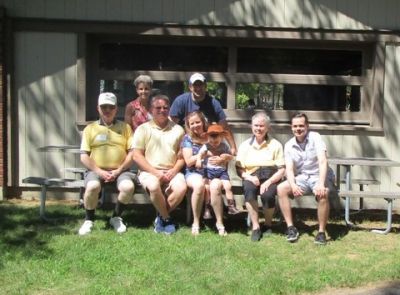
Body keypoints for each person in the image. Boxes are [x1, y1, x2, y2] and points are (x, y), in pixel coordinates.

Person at [78, 92, 135, 236]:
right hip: (96, 171)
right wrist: (99, 171)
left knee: (128, 187)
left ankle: (116, 217)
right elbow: (84, 156)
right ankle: (89, 220)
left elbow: (132, 153)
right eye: (104, 107)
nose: (107, 110)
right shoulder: (90, 129)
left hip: (121, 171)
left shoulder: (126, 128)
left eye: (111, 107)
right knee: (92, 186)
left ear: (116, 109)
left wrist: (118, 170)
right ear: (98, 108)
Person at [277, 112, 335, 245]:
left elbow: (322, 161)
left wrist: (321, 183)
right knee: (281, 188)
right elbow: (289, 169)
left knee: (323, 192)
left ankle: (321, 232)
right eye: (295, 126)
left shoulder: (315, 137)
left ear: (307, 126)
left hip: (318, 175)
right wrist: (293, 185)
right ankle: (291, 228)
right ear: (291, 127)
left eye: (301, 126)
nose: (298, 129)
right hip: (302, 177)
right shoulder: (289, 145)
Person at [132, 94, 187, 234]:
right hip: (149, 171)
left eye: (165, 107)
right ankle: (167, 218)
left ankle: (161, 217)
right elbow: (137, 156)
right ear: (151, 110)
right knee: (154, 186)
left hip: (171, 170)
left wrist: (174, 171)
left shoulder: (178, 130)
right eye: (158, 108)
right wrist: (155, 173)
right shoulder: (143, 129)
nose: (162, 110)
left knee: (181, 188)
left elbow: (182, 157)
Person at [236, 112, 285, 241]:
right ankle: (256, 227)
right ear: (251, 127)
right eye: (256, 125)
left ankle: (268, 224)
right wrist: (249, 177)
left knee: (267, 195)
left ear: (268, 127)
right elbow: (239, 168)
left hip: (270, 176)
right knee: (249, 190)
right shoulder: (245, 145)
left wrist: (268, 182)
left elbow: (281, 170)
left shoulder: (276, 145)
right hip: (251, 176)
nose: (258, 128)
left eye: (262, 126)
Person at [169, 72, 237, 155]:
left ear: (205, 86)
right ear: (190, 87)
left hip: (208, 143)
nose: (198, 88)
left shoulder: (214, 103)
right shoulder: (181, 101)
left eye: (200, 85)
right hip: (187, 142)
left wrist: (233, 148)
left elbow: (224, 127)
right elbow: (171, 126)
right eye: (195, 85)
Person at [196, 124, 240, 216]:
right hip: (209, 171)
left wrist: (226, 157)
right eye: (211, 141)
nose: (213, 143)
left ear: (222, 137)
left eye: (216, 141)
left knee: (228, 186)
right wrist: (199, 160)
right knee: (207, 188)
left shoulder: (224, 146)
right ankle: (207, 208)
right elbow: (200, 154)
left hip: (222, 171)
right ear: (208, 138)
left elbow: (231, 156)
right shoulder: (206, 146)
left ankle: (231, 206)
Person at [180, 111, 209, 235]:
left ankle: (218, 221)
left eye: (198, 122)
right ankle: (196, 221)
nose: (195, 125)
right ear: (188, 125)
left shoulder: (211, 135)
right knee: (199, 185)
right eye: (192, 123)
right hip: (193, 173)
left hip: (212, 172)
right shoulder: (187, 139)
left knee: (215, 184)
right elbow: (188, 162)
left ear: (203, 122)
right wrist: (202, 153)